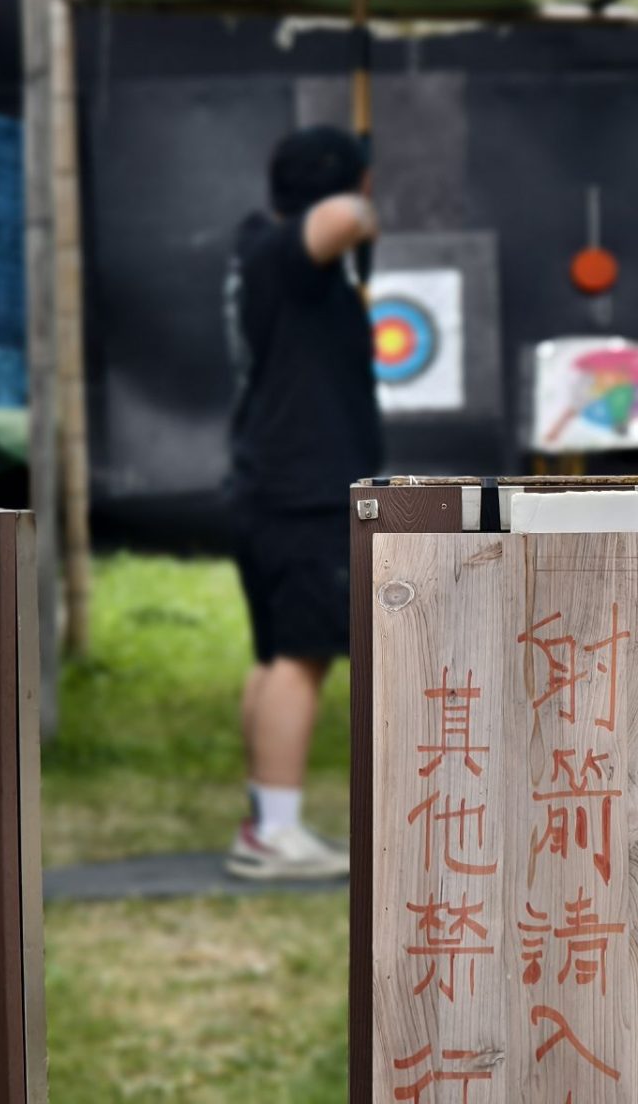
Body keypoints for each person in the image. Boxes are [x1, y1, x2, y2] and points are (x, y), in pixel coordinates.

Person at [222, 125, 380, 879]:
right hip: (300, 490)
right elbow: (342, 219)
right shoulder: (289, 255)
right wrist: (360, 205)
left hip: (272, 484)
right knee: (301, 658)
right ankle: (274, 835)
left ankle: (264, 822)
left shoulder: (261, 249)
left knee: (275, 656)